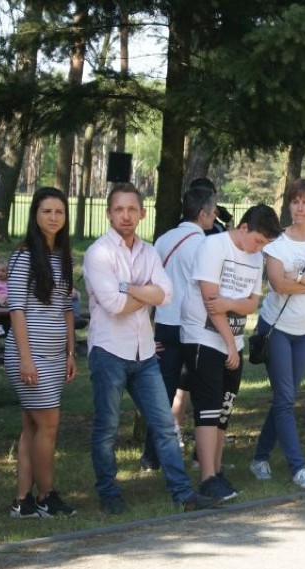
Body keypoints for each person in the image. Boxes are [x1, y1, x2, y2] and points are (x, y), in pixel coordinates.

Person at [83, 182, 220, 514]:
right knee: (106, 429)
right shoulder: (98, 253)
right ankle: (109, 493)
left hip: (144, 353)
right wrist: (145, 293)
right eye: (119, 209)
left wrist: (130, 287)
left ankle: (184, 494)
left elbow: (166, 294)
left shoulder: (148, 251)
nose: (126, 216)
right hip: (108, 351)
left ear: (142, 213)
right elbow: (114, 305)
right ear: (109, 213)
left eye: (132, 209)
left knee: (164, 426)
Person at [180, 203, 281, 502]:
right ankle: (207, 477)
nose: (258, 249)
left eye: (264, 245)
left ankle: (218, 469)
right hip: (204, 339)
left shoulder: (256, 256)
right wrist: (227, 342)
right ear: (244, 227)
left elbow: (252, 303)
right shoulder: (214, 247)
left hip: (232, 343)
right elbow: (211, 302)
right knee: (208, 410)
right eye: (258, 241)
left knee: (224, 409)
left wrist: (231, 305)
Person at [250, 179, 305, 489]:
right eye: (295, 201)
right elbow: (278, 284)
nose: (300, 207)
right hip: (277, 328)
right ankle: (298, 467)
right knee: (285, 399)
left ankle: (260, 456)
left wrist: (299, 275)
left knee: (285, 398)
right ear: (289, 205)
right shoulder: (277, 242)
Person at [5, 187, 78, 519]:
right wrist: (25, 357)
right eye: (46, 211)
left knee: (32, 428)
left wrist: (70, 352)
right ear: (35, 215)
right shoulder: (23, 255)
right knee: (48, 425)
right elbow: (16, 309)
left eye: (59, 212)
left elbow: (65, 307)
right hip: (30, 355)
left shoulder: (63, 255)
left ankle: (23, 501)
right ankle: (47, 495)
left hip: (55, 356)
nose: (53, 217)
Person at [140, 185, 217, 472]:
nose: (215, 217)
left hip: (165, 323)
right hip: (194, 327)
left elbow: (150, 282)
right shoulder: (205, 244)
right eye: (213, 211)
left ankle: (152, 455)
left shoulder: (163, 240)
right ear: (203, 213)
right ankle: (201, 454)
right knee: (203, 392)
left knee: (161, 393)